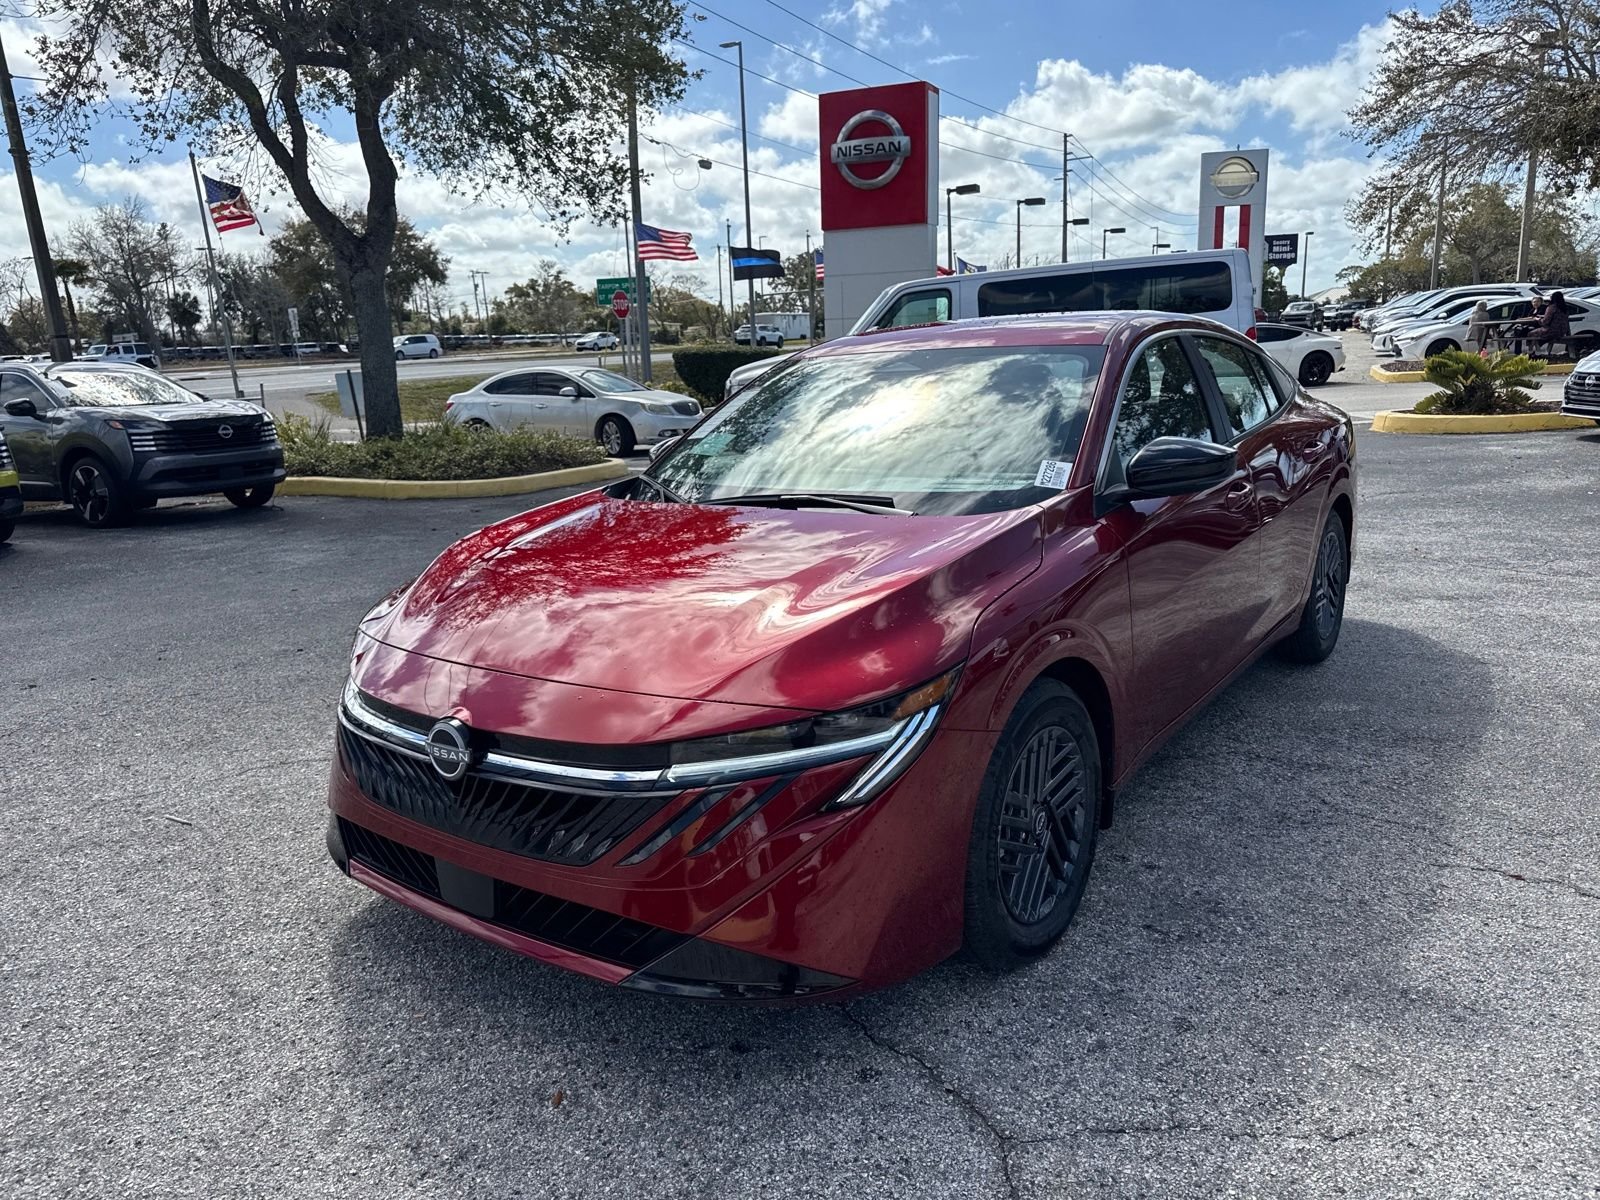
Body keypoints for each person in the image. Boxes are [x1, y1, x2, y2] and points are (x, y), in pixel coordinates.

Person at [1537, 291, 1571, 357]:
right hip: (1562, 331)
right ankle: (1539, 351)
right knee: (1542, 337)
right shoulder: (1565, 307)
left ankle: (1534, 352)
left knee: (1530, 334)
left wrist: (1539, 320)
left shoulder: (1551, 307)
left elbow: (1545, 321)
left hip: (1551, 331)